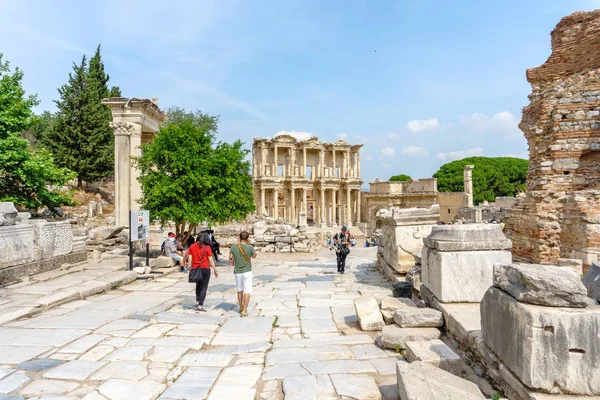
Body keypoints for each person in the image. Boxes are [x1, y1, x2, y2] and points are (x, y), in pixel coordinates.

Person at [187, 232, 219, 312]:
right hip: (205, 268)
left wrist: (189, 267)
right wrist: (215, 269)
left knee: (198, 285)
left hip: (195, 268)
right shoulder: (207, 247)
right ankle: (200, 306)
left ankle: (198, 301)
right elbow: (211, 260)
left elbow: (190, 258)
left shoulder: (192, 246)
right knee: (204, 287)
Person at [229, 231, 256, 316]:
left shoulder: (234, 247)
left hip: (237, 271)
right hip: (247, 271)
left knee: (239, 290)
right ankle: (244, 310)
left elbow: (230, 258)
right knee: (247, 291)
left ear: (239, 237)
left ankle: (241, 306)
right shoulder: (250, 247)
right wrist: (250, 245)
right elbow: (254, 256)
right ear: (248, 238)